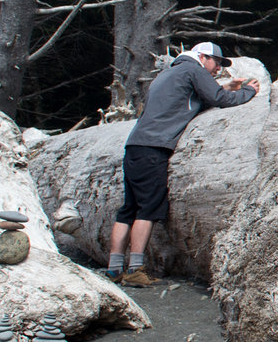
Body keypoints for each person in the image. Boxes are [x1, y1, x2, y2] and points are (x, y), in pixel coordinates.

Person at [107, 42, 261, 286]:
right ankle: (135, 269)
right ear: (202, 57)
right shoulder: (194, 70)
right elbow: (220, 99)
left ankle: (114, 269)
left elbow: (190, 99)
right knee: (148, 208)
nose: (218, 68)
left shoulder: (168, 73)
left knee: (129, 208)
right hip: (155, 148)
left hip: (135, 145)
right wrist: (248, 92)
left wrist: (224, 86)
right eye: (216, 62)